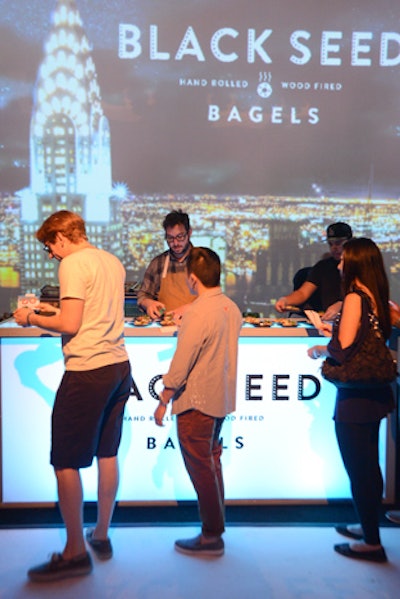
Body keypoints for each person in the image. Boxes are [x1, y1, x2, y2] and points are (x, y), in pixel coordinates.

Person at [13, 210, 132, 582]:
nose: (51, 255)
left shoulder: (73, 264)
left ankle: (74, 553)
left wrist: (30, 317)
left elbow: (71, 324)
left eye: (50, 247)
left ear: (62, 237)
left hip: (87, 370)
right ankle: (100, 535)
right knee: (107, 453)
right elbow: (93, 311)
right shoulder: (110, 260)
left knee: (65, 461)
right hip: (118, 366)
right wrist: (52, 309)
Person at [308, 237, 395, 563]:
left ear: (357, 262)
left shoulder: (355, 298)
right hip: (376, 392)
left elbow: (343, 347)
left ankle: (371, 543)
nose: (339, 264)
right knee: (369, 464)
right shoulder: (378, 296)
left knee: (358, 466)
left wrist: (324, 343)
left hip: (354, 396)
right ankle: (367, 526)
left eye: (345, 260)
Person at [154, 247, 242, 557]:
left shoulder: (197, 313)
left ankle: (211, 535)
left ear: (193, 278)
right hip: (220, 399)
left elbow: (181, 364)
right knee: (212, 463)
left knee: (202, 468)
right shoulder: (231, 307)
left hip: (197, 401)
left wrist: (164, 397)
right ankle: (216, 528)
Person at [275, 222, 353, 320]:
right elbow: (303, 293)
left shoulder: (359, 266)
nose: (334, 247)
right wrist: (285, 300)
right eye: (330, 244)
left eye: (338, 243)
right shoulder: (323, 267)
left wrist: (343, 304)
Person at [137, 210, 196, 319]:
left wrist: (191, 308)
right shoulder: (158, 263)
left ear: (189, 233)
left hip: (197, 327)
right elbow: (143, 295)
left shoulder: (202, 261)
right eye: (170, 238)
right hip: (166, 330)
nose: (175, 243)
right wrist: (148, 303)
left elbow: (213, 299)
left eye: (180, 236)